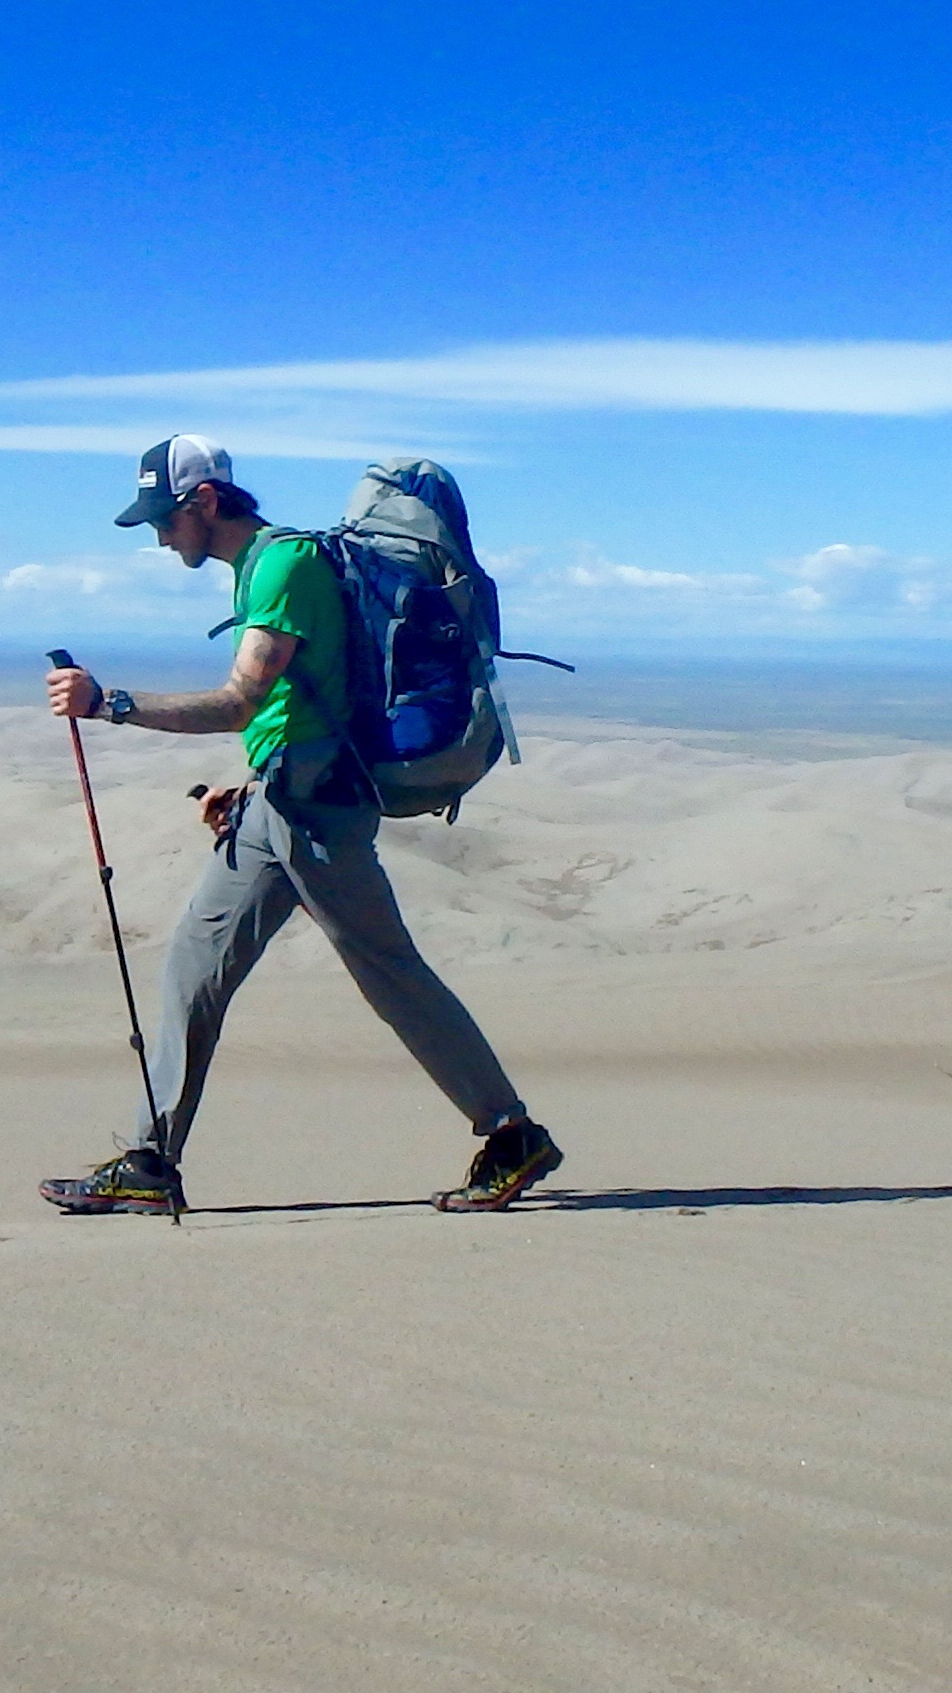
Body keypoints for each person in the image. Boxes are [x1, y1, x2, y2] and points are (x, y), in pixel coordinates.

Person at [44, 435, 563, 1214]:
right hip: (278, 801)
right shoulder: (261, 567)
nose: (159, 537)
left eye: (164, 519)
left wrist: (109, 704)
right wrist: (253, 782)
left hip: (317, 810)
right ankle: (151, 1160)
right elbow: (297, 704)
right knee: (193, 965)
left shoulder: (282, 566)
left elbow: (240, 702)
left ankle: (511, 1132)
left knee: (390, 974)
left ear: (205, 502)